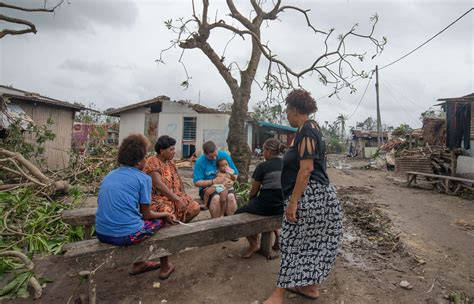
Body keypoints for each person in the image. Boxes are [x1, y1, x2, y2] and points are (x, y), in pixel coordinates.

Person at [264, 89, 343, 303]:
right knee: (311, 241)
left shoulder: (307, 130)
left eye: (287, 110)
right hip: (317, 196)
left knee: (290, 241)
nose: (286, 115)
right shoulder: (305, 130)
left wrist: (293, 202)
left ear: (294, 109)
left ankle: (278, 295)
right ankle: (309, 288)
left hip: (311, 196)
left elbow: (306, 169)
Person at [95, 134, 176, 279]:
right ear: (139, 162)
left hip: (101, 233)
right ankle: (165, 267)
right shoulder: (143, 178)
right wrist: (164, 215)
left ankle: (139, 264)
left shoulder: (110, 175)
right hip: (125, 236)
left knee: (134, 219)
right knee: (164, 221)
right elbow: (147, 215)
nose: (146, 161)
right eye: (145, 157)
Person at [235, 138, 285, 258]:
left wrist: (250, 200)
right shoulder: (287, 164)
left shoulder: (263, 166)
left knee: (238, 213)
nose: (263, 153)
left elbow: (254, 190)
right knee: (267, 207)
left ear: (269, 151)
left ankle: (254, 244)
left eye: (264, 150)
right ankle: (277, 237)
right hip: (283, 206)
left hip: (267, 206)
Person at [143, 135, 201, 223]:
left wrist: (184, 196)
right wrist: (177, 200)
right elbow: (159, 185)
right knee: (168, 212)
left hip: (175, 197)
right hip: (158, 199)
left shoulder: (170, 162)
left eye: (174, 149)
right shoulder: (152, 161)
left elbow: (178, 179)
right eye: (171, 150)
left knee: (195, 207)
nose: (174, 152)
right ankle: (171, 230)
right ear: (161, 151)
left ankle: (178, 227)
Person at [193, 141, 239, 218]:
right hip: (209, 188)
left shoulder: (224, 156)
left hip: (225, 185)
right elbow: (197, 182)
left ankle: (231, 222)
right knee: (216, 199)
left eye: (215, 155)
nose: (214, 158)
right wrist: (212, 182)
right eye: (211, 157)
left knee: (230, 197)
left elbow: (235, 173)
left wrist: (231, 181)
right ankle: (217, 223)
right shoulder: (200, 162)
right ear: (205, 154)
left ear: (216, 149)